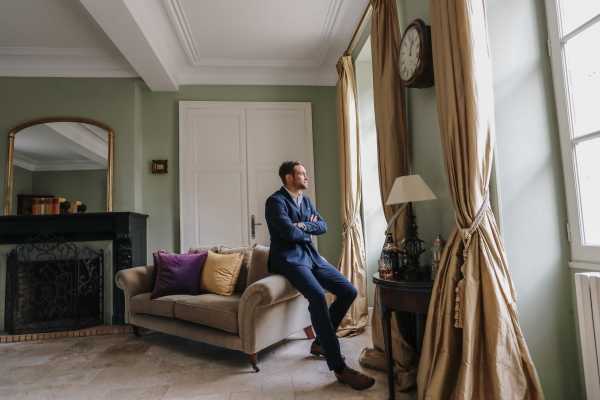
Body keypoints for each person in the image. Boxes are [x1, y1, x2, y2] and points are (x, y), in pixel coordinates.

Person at [265, 161, 375, 391]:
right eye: (301, 174)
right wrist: (306, 227)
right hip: (288, 259)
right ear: (288, 178)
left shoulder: (306, 200)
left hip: (311, 257)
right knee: (316, 296)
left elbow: (323, 226)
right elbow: (287, 232)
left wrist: (300, 226)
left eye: (305, 174)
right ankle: (340, 368)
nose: (307, 177)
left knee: (349, 290)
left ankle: (319, 343)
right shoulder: (275, 202)